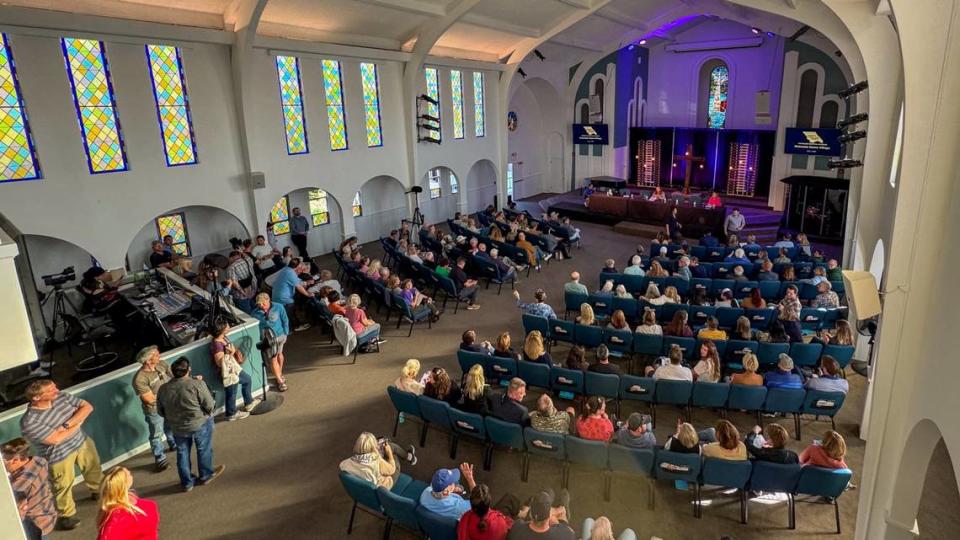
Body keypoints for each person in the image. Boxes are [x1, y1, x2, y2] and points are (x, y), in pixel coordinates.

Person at [19, 380, 102, 530]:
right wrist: (78, 422)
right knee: (62, 485)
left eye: (54, 387)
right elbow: (55, 440)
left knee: (93, 469)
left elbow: (87, 407)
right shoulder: (29, 421)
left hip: (82, 442)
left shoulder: (62, 396)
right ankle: (66, 515)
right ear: (36, 398)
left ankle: (99, 492)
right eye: (51, 390)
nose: (56, 390)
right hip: (58, 455)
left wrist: (66, 425)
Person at [156, 358, 225, 492]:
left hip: (177, 427)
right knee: (203, 449)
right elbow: (210, 405)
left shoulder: (163, 388)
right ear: (188, 370)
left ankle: (187, 483)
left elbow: (160, 411)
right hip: (200, 424)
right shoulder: (197, 384)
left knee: (182, 453)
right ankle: (206, 475)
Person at [132, 346, 176, 472]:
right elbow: (149, 398)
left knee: (170, 426)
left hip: (167, 405)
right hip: (154, 410)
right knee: (156, 434)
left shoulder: (161, 364)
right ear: (147, 361)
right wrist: (168, 391)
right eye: (156, 355)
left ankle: (173, 444)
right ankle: (160, 459)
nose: (159, 356)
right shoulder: (139, 379)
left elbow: (173, 376)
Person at [2, 437, 56, 539]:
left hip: (34, 524)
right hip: (47, 515)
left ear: (15, 460)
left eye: (2, 462)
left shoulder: (18, 487)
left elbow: (16, 514)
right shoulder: (39, 461)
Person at [210, 321, 258, 420]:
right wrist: (231, 353)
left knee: (247, 380)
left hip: (233, 369)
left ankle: (249, 403)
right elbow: (220, 362)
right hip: (227, 373)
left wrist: (235, 351)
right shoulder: (216, 345)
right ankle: (231, 413)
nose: (229, 326)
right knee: (232, 392)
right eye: (226, 325)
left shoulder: (223, 338)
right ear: (221, 330)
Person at [95, 466, 159, 540]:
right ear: (123, 484)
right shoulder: (148, 507)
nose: (129, 472)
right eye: (128, 474)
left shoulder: (108, 513)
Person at [339, 432, 417, 490]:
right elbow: (392, 470)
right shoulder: (376, 461)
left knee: (387, 448)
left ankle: (408, 456)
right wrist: (389, 453)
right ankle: (409, 457)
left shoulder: (345, 464)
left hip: (364, 488)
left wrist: (376, 453)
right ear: (373, 447)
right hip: (382, 487)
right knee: (392, 452)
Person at [250, 293, 290, 392]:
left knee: (280, 354)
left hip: (280, 336)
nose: (261, 306)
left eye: (263, 303)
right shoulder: (254, 313)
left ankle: (279, 373)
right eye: (259, 304)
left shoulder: (279, 307)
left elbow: (285, 320)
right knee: (273, 359)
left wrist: (286, 333)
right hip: (268, 339)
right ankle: (280, 381)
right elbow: (255, 327)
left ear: (268, 300)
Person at [507, 490, 575, 539]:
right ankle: (563, 505)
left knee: (548, 491)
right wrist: (557, 522)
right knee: (563, 512)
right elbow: (571, 533)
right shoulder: (566, 535)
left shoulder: (516, 528)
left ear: (530, 514)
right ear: (550, 515)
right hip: (557, 526)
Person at [272, 259, 314, 332]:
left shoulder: (286, 269)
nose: (301, 270)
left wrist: (306, 282)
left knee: (286, 313)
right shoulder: (290, 273)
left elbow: (296, 280)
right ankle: (294, 327)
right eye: (300, 268)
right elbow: (299, 287)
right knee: (290, 312)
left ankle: (289, 326)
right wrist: (308, 294)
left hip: (277, 296)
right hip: (284, 298)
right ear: (297, 267)